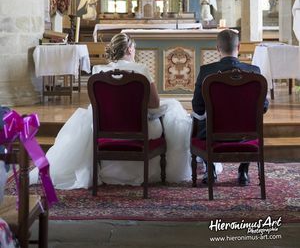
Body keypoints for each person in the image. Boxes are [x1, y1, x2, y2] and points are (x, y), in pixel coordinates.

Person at [30, 34, 192, 189]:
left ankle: (107, 170)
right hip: (141, 130)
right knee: (171, 114)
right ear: (129, 50)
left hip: (105, 130)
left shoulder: (98, 71)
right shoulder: (141, 70)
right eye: (133, 49)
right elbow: (155, 104)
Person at [192, 29, 269, 186]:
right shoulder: (254, 72)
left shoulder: (206, 72)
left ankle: (210, 169)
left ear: (217, 48)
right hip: (247, 134)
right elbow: (263, 107)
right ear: (239, 47)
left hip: (212, 133)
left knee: (197, 122)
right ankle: (243, 171)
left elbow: (198, 107)